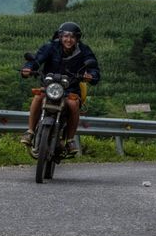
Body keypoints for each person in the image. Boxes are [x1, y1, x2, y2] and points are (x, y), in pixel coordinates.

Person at [20, 21, 101, 156]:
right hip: (50, 86)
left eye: (72, 37)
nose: (68, 40)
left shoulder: (83, 50)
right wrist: (28, 68)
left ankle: (70, 140)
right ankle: (30, 132)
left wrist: (91, 76)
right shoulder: (51, 47)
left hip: (71, 88)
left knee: (73, 104)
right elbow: (37, 59)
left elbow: (94, 69)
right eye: (65, 36)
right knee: (38, 96)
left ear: (77, 38)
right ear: (60, 36)